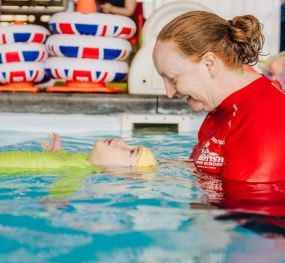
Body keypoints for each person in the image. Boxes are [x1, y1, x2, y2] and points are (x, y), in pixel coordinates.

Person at [152, 10, 285, 183]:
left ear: (209, 64)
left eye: (173, 78)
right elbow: (200, 167)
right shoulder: (223, 108)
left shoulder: (264, 115)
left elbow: (252, 205)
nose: (169, 93)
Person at [0, 133, 157, 172]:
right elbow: (63, 163)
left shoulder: (80, 172)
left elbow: (61, 192)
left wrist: (55, 203)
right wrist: (56, 152)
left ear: (120, 170)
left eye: (130, 152)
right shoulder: (83, 160)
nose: (122, 142)